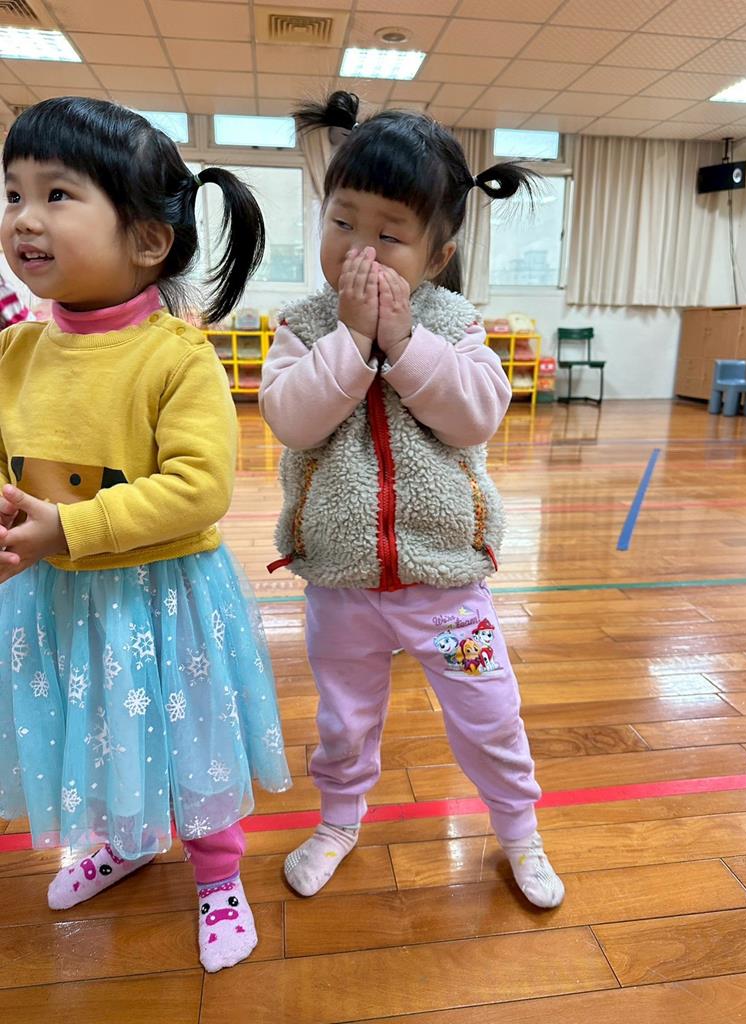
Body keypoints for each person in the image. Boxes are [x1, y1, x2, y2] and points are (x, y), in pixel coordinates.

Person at [0, 96, 291, 973]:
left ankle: (218, 875)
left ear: (148, 239)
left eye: (57, 195)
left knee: (191, 736)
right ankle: (125, 841)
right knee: (94, 728)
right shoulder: (16, 353)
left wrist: (69, 526)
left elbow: (199, 488)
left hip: (160, 600)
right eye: (13, 194)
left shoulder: (176, 355)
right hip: (58, 596)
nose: (24, 218)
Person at [259, 91, 564, 909]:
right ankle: (338, 820)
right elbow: (292, 419)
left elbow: (475, 415)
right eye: (341, 222)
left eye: (389, 235)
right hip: (342, 582)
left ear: (435, 256)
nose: (359, 249)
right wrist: (351, 339)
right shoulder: (303, 325)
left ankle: (519, 830)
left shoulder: (456, 324)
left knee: (488, 712)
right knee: (344, 720)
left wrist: (399, 339)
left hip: (446, 583)